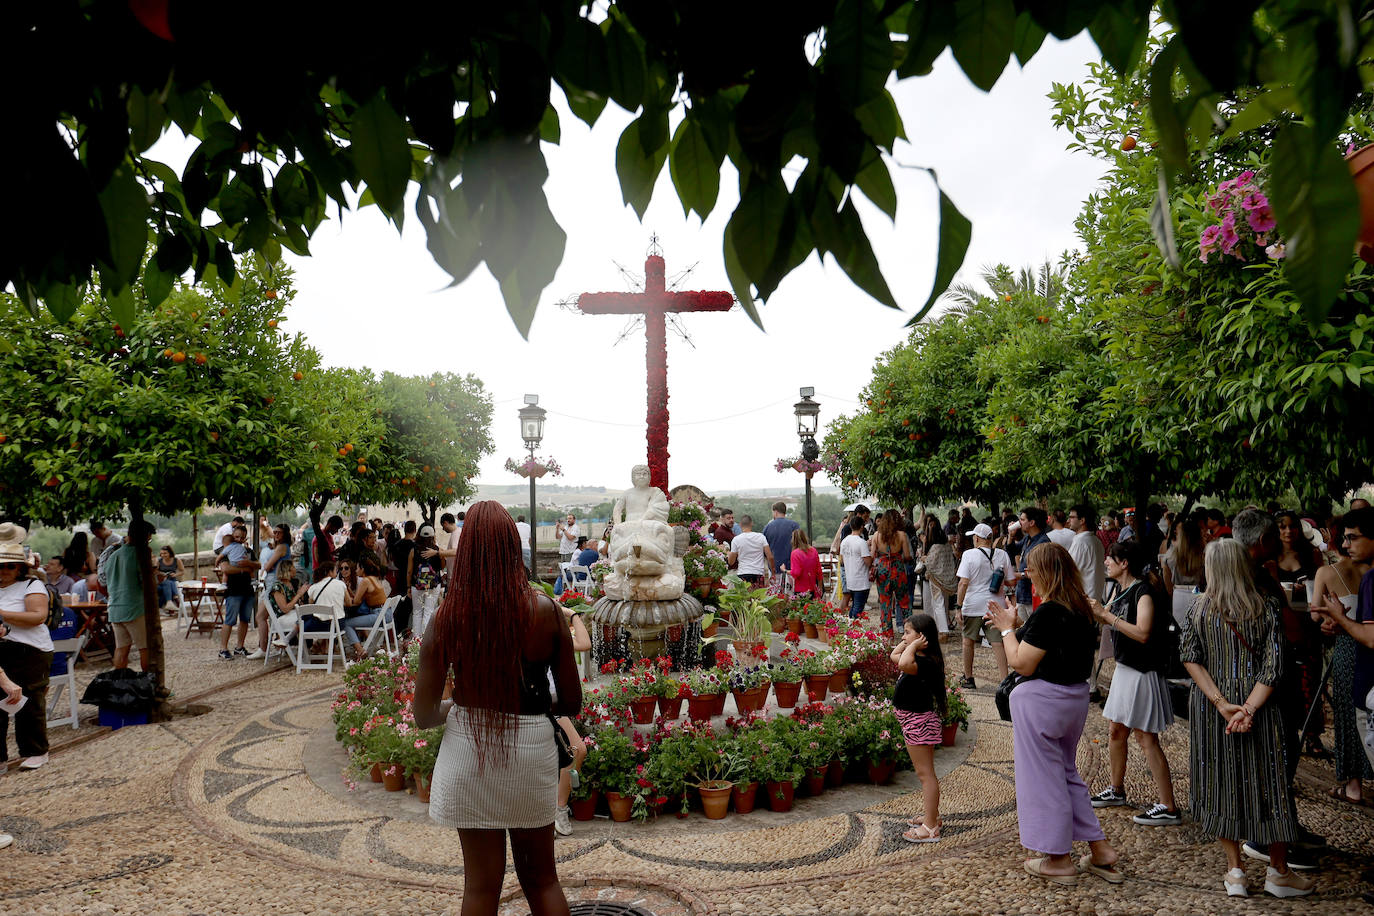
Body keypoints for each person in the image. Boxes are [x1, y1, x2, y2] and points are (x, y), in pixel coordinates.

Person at [413, 501, 580, 916]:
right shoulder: (546, 611)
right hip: (531, 750)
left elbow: (424, 714)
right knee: (542, 881)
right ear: (513, 547)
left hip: (468, 749)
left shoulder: (447, 617)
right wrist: (529, 704)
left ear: (466, 550)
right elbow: (572, 701)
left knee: (480, 888)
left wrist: (457, 706)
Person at [1181, 539, 1314, 898]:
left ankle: (1235, 871)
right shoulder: (1267, 607)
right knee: (1270, 783)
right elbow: (1275, 667)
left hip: (1212, 709)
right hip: (1262, 708)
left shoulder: (1198, 609)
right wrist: (1249, 709)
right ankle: (1278, 871)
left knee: (1220, 780)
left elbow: (1190, 657)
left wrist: (1223, 704)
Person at [987, 542, 1122, 886]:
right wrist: (1016, 626)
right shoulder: (1079, 608)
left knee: (1043, 779)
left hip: (1043, 702)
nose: (1026, 577)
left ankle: (1058, 859)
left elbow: (1022, 662)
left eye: (1030, 570)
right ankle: (1100, 848)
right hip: (1073, 699)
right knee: (1066, 772)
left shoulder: (1051, 611)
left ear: (1045, 572)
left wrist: (1005, 629)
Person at [1231, 508, 1323, 868]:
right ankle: (1269, 836)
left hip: (1272, 677)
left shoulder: (1254, 573)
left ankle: (1282, 828)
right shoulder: (1248, 577)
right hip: (1263, 682)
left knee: (1283, 755)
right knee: (1274, 758)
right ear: (1264, 540)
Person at [1088, 540, 1180, 826]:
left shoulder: (1144, 592)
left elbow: (1142, 633)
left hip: (1142, 672)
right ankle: (1116, 790)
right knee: (1117, 731)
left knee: (1146, 738)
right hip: (1126, 670)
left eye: (1110, 558)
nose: (1105, 563)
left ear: (1124, 563)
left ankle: (1169, 806)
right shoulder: (1121, 590)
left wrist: (1106, 616)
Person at [1309, 509, 1373, 805]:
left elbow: (1317, 616)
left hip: (1352, 651)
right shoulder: (1365, 571)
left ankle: (1353, 784)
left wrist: (1334, 621)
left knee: (1351, 716)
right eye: (1344, 538)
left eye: (1353, 537)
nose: (1347, 544)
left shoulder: (1335, 573)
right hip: (1353, 649)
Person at [0, 525, 54, 770]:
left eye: (9, 566)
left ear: (21, 567)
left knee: (30, 700)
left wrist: (1, 615)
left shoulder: (31, 586)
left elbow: (38, 616)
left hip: (30, 650)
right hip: (3, 649)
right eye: (0, 566)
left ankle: (35, 750)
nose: (4, 571)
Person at [891, 613, 945, 843]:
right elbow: (895, 656)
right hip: (914, 722)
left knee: (926, 776)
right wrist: (907, 642)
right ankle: (931, 815)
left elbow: (902, 662)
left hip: (919, 723)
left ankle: (930, 827)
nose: (904, 637)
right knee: (925, 774)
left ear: (922, 637)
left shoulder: (924, 663)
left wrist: (911, 645)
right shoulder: (918, 656)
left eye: (908, 632)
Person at [954, 523, 1014, 687]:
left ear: (977, 538)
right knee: (997, 643)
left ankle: (968, 677)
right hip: (995, 605)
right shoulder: (1002, 554)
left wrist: (958, 606)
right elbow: (1010, 581)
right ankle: (1004, 680)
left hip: (973, 604)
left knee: (968, 641)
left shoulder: (969, 555)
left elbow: (963, 583)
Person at [554, 600, 591, 836]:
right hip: (535, 705)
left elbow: (584, 643)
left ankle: (558, 808)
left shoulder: (548, 635)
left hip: (550, 705)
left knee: (578, 750)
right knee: (576, 749)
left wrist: (571, 614)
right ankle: (555, 809)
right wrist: (572, 613)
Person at [105, 521, 156, 672]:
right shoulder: (140, 555)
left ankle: (120, 685)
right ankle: (150, 684)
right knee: (146, 648)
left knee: (121, 649)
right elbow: (147, 583)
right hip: (134, 608)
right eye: (148, 539)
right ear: (144, 537)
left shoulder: (113, 556)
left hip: (114, 608)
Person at [216, 523, 260, 660]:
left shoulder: (248, 551)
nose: (238, 539)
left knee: (245, 620)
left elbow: (258, 565)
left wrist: (249, 564)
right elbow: (225, 569)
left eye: (241, 537)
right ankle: (223, 649)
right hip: (233, 589)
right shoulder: (227, 549)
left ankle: (239, 647)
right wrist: (245, 569)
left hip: (247, 589)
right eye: (236, 536)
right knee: (229, 620)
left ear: (245, 538)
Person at [247, 558, 304, 660]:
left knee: (309, 616)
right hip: (283, 617)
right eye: (293, 567)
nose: (295, 570)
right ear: (287, 570)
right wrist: (298, 595)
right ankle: (287, 640)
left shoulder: (292, 584)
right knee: (305, 618)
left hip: (292, 614)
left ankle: (304, 646)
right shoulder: (277, 587)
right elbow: (285, 609)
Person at [1162, 513, 1206, 627]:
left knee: (1181, 630)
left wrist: (1172, 593)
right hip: (1198, 592)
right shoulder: (1204, 555)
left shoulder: (1170, 555)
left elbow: (1167, 583)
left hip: (1178, 593)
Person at [871, 509, 912, 633]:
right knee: (904, 602)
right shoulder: (902, 535)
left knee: (885, 604)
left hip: (883, 570)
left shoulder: (876, 535)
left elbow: (872, 555)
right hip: (898, 569)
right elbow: (907, 555)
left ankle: (887, 636)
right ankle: (909, 632)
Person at [919, 516, 958, 634]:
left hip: (935, 578)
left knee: (937, 603)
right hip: (946, 578)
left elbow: (930, 562)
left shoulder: (935, 546)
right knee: (942, 603)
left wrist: (924, 558)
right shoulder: (946, 544)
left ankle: (942, 630)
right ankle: (940, 627)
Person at [1013, 507, 1051, 619]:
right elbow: (1012, 551)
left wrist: (1021, 575)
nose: (1020, 522)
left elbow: (1042, 570)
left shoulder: (1043, 542)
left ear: (1032, 523)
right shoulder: (1027, 539)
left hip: (1034, 594)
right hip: (1023, 594)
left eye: (1022, 519)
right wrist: (1010, 536)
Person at [410, 525, 445, 638]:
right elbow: (442, 567)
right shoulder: (437, 550)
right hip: (433, 585)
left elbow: (409, 571)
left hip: (417, 585)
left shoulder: (413, 550)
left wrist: (407, 586)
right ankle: (425, 640)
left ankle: (416, 640)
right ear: (433, 536)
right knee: (429, 611)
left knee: (417, 612)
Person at [1066, 505, 1106, 603]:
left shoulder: (1081, 542)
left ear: (1082, 520)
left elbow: (1069, 570)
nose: (1068, 520)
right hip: (1094, 597)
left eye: (1072, 517)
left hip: (1084, 600)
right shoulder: (1095, 540)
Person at [839, 516, 872, 618]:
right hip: (861, 580)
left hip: (850, 579)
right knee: (858, 607)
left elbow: (842, 560)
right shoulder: (861, 542)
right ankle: (853, 628)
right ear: (862, 527)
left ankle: (850, 626)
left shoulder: (844, 541)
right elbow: (868, 562)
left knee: (854, 606)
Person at [728, 515, 772, 587]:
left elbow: (731, 562)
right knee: (758, 597)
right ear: (752, 524)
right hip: (758, 573)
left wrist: (729, 554)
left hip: (743, 573)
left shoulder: (736, 539)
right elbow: (770, 556)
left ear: (740, 525)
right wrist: (773, 572)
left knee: (744, 597)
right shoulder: (761, 537)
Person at [762, 501, 800, 577]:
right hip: (792, 568)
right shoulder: (794, 526)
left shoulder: (767, 528)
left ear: (775, 512)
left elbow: (764, 549)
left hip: (774, 568)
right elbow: (800, 545)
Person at [788, 528, 822, 599]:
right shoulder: (813, 550)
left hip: (800, 590)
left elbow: (796, 573)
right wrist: (820, 587)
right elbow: (819, 571)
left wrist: (785, 570)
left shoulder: (795, 553)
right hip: (813, 588)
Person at [155, 545, 184, 612]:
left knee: (167, 586)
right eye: (161, 553)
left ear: (170, 553)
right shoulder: (159, 561)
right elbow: (155, 571)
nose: (163, 555)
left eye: (165, 553)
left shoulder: (176, 560)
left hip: (172, 580)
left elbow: (182, 571)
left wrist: (175, 574)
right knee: (168, 583)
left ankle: (161, 606)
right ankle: (175, 598)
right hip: (161, 581)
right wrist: (162, 573)